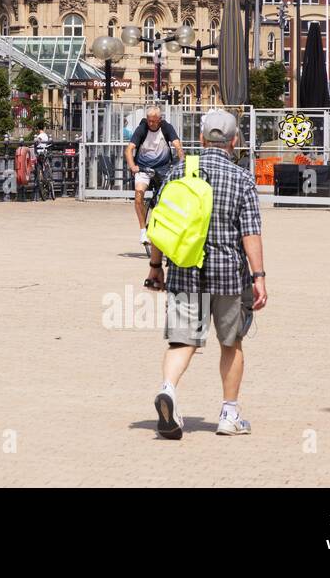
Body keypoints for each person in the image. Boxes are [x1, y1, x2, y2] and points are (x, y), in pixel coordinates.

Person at [146, 108, 267, 439]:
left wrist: (156, 267)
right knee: (231, 342)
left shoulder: (178, 172)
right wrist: (259, 277)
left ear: (200, 139)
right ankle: (229, 414)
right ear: (235, 141)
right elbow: (250, 233)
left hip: (185, 269)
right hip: (228, 274)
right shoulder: (242, 178)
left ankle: (168, 390)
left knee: (182, 341)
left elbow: (160, 224)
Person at [125, 106, 184, 245]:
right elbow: (129, 150)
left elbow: (177, 146)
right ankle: (142, 231)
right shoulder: (142, 129)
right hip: (143, 167)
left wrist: (181, 161)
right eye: (149, 121)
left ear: (160, 120)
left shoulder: (166, 128)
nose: (151, 124)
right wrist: (132, 166)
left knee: (169, 197)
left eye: (154, 121)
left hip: (163, 168)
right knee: (139, 193)